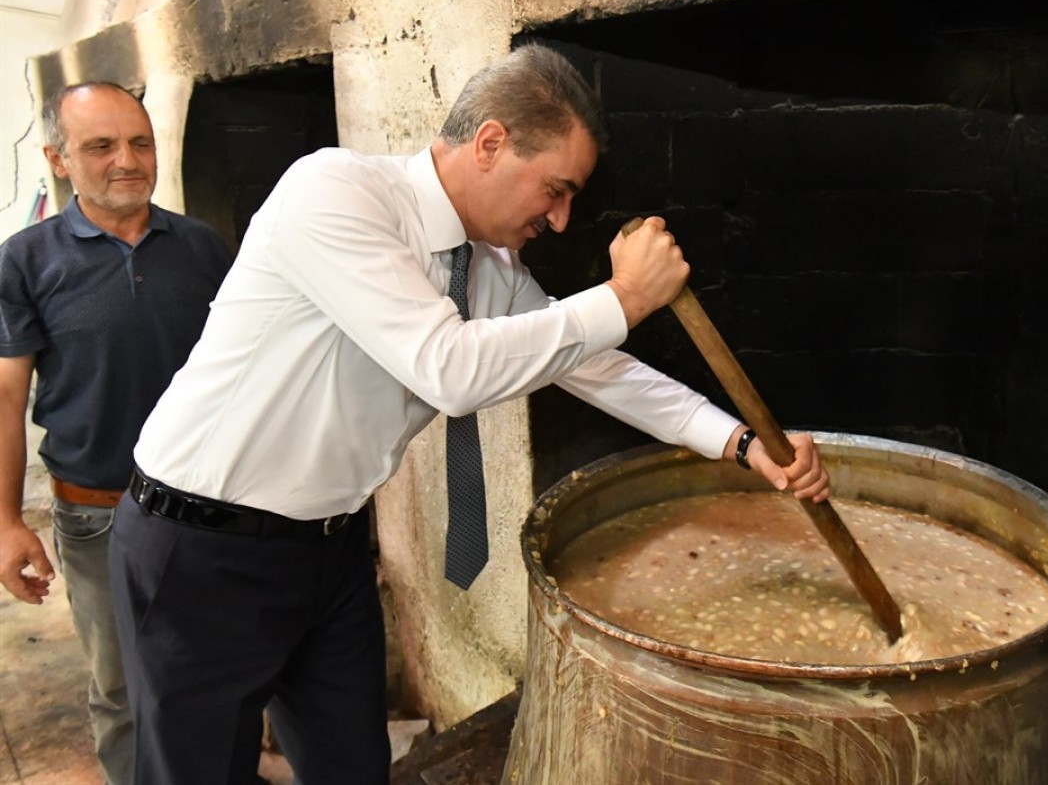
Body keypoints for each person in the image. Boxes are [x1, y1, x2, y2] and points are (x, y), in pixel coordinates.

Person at [110, 43, 829, 785]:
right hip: (200, 547)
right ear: (490, 142)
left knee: (353, 771)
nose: (560, 219)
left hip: (328, 552)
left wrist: (739, 442)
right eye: (555, 190)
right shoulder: (333, 191)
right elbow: (448, 369)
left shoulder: (488, 267)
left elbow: (591, 365)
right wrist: (625, 298)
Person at [0, 82, 232, 785]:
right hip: (98, 515)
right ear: (59, 158)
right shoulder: (26, 260)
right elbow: (8, 394)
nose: (127, 160)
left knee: (219, 674)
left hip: (213, 511)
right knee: (124, 690)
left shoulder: (202, 247)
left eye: (140, 143)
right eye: (101, 146)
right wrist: (6, 520)